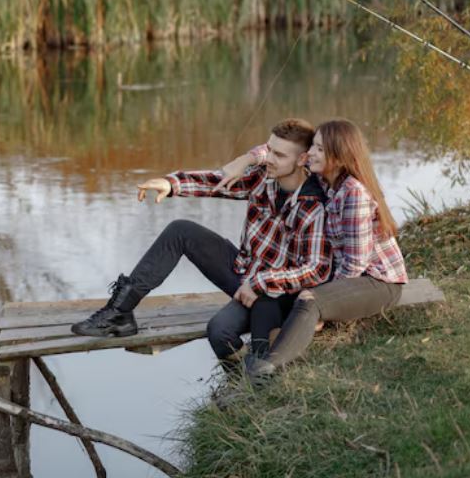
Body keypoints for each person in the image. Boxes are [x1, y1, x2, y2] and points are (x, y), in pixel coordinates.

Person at [70, 118, 333, 365]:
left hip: (274, 293)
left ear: (302, 159)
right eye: (269, 151)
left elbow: (316, 269)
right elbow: (217, 182)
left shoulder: (313, 206)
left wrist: (260, 283)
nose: (269, 159)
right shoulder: (263, 179)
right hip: (243, 271)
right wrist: (171, 184)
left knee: (220, 332)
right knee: (181, 230)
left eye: (279, 155)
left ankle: (246, 382)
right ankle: (119, 313)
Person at [220, 119, 407, 378]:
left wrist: (329, 305)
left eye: (319, 148)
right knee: (297, 297)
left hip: (378, 282)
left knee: (310, 300)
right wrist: (246, 160)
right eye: (313, 147)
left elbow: (355, 265)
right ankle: (260, 359)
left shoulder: (353, 193)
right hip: (352, 277)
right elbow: (279, 149)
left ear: (339, 155)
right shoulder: (325, 179)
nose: (311, 153)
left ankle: (267, 368)